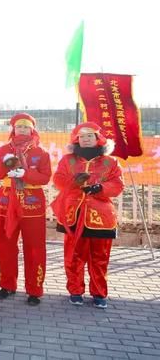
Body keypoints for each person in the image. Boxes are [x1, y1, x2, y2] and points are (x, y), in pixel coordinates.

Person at [51, 122, 123, 309]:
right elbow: (58, 179)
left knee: (99, 258)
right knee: (74, 257)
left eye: (89, 135)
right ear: (76, 139)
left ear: (98, 138)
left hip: (101, 217)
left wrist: (101, 188)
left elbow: (117, 185)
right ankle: (75, 291)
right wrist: (74, 182)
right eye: (81, 136)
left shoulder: (111, 162)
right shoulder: (68, 160)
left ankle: (99, 293)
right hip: (72, 214)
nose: (85, 139)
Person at [0, 113, 51, 306]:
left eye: (26, 127)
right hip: (7, 204)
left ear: (32, 130)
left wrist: (26, 173)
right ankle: (7, 285)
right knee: (5, 245)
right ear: (13, 129)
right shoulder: (3, 150)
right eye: (19, 127)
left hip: (32, 206)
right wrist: (5, 165)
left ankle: (34, 289)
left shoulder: (41, 153)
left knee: (34, 248)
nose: (22, 130)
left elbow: (45, 177)